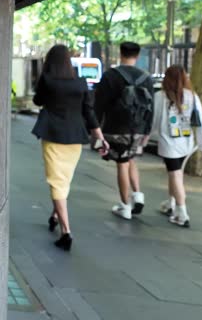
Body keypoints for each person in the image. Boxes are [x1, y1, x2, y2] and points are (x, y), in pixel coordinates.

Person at [32, 45, 108, 251]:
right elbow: (89, 113)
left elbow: (37, 100)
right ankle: (55, 214)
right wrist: (100, 138)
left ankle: (66, 232)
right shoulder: (81, 83)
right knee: (63, 179)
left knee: (56, 182)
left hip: (53, 136)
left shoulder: (47, 81)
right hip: (75, 139)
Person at [93, 42, 154, 220]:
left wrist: (96, 129)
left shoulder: (110, 76)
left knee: (122, 163)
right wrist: (147, 130)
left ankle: (125, 205)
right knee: (130, 159)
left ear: (120, 54)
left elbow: (99, 105)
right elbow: (151, 107)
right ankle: (137, 195)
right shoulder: (146, 78)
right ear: (137, 55)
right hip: (139, 128)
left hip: (117, 128)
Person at [148, 65, 202, 228]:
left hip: (169, 144)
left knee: (175, 175)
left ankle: (182, 212)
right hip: (186, 142)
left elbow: (153, 121)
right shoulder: (192, 96)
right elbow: (200, 121)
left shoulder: (160, 96)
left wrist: (144, 138)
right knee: (175, 173)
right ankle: (171, 202)